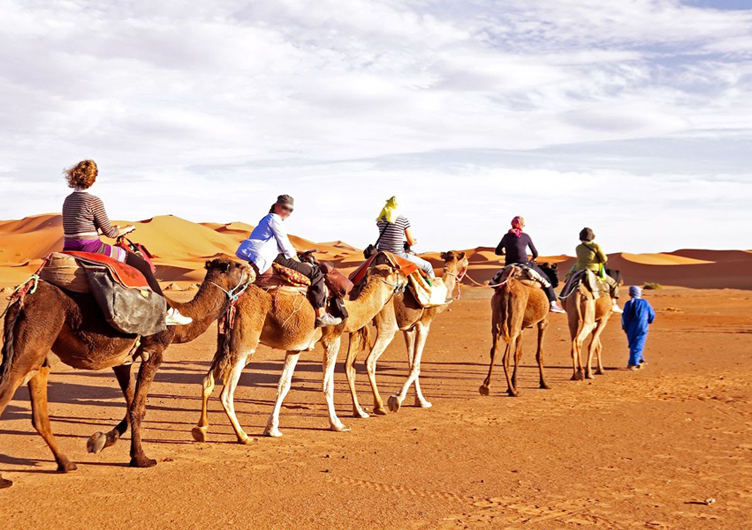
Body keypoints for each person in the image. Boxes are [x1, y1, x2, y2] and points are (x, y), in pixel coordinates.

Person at [61, 160, 191, 326]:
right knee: (142, 265)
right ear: (93, 179)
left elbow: (80, 227)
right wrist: (125, 229)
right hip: (92, 248)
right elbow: (110, 233)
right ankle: (167, 312)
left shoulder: (68, 200)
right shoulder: (93, 201)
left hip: (70, 247)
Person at [238, 194, 341, 328]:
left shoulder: (266, 219)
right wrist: (298, 260)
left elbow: (278, 243)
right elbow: (285, 245)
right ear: (276, 206)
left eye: (290, 210)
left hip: (262, 256)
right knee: (316, 273)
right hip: (270, 256)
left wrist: (298, 250)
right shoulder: (274, 218)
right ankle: (321, 314)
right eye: (285, 208)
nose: (287, 212)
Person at [494, 216, 565, 313]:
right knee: (546, 280)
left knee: (495, 282)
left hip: (509, 264)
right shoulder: (525, 236)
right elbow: (535, 253)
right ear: (521, 225)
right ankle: (553, 303)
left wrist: (505, 253)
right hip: (524, 263)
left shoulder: (505, 236)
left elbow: (497, 251)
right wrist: (533, 258)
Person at [374, 196, 435, 278]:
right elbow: (410, 242)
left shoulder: (380, 220)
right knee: (428, 266)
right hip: (398, 255)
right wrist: (414, 241)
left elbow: (388, 235)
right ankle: (432, 289)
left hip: (381, 255)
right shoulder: (403, 220)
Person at [572, 227, 623, 314]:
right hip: (594, 271)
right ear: (592, 237)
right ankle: (614, 304)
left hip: (579, 270)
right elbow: (604, 259)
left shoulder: (578, 247)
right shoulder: (595, 246)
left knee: (569, 281)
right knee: (613, 283)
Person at [622, 286, 655, 370]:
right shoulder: (645, 303)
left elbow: (624, 316)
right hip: (641, 326)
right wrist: (649, 321)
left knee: (634, 344)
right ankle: (633, 363)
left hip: (629, 328)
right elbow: (652, 314)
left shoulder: (628, 303)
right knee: (637, 344)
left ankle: (640, 360)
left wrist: (624, 326)